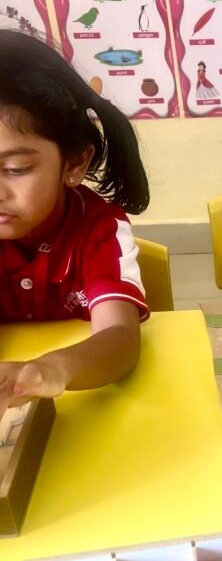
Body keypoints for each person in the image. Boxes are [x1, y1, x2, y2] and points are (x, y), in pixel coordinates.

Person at [0, 29, 150, 409]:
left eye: (16, 169)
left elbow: (120, 337)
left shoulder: (98, 230)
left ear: (74, 163)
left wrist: (58, 366)